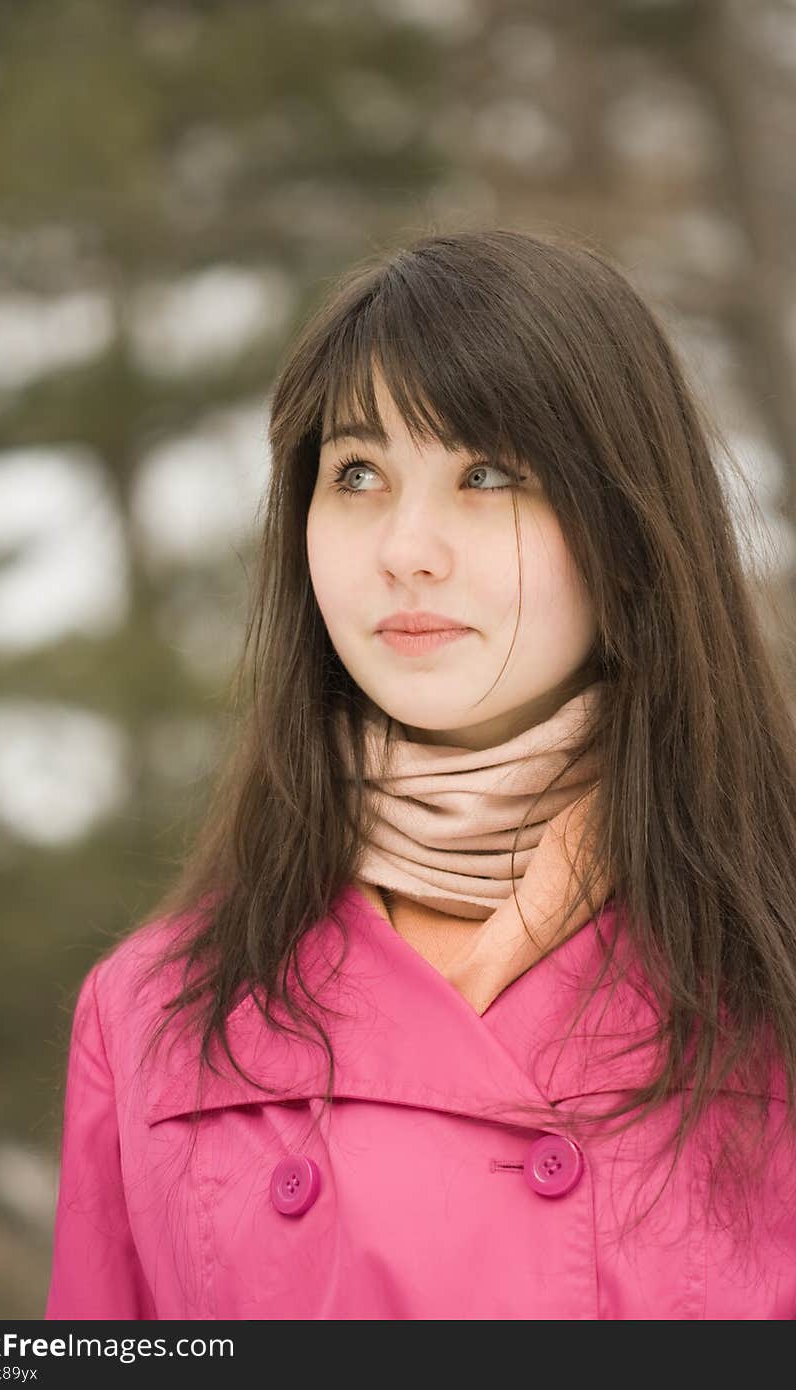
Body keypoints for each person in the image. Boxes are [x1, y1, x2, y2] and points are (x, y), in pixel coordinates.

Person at [44, 228, 796, 1320]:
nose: (405, 545)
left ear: (628, 525)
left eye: (486, 473)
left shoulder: (766, 955)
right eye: (356, 474)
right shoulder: (151, 1010)